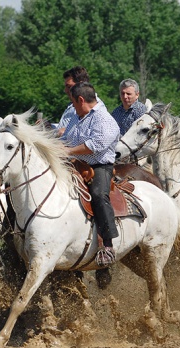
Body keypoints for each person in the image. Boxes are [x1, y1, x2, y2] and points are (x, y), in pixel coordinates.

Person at [61, 82, 120, 270]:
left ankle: (108, 245)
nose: (73, 108)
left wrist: (69, 151)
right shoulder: (78, 117)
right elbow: (66, 138)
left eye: (74, 103)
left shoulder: (104, 119)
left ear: (80, 100)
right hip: (75, 164)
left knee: (98, 195)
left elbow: (96, 145)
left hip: (100, 166)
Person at [56, 66, 106, 136]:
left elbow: (96, 137)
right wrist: (51, 127)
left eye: (69, 86)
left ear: (80, 84)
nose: (65, 90)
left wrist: (67, 132)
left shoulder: (97, 108)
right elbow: (63, 129)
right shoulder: (72, 105)